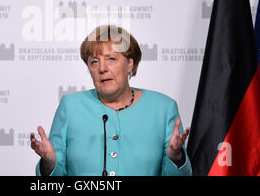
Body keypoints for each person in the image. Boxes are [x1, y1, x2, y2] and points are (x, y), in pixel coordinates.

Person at [30, 25, 191, 176]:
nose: (102, 68)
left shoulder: (163, 108)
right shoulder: (71, 106)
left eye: (111, 59)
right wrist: (49, 163)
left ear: (130, 63)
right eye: (94, 61)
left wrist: (176, 157)